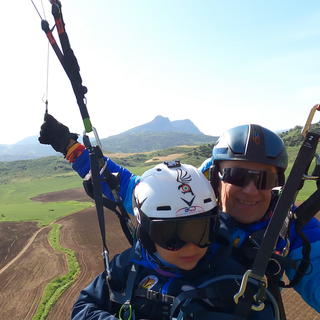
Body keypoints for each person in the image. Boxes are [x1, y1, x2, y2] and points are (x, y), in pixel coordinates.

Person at [39, 115, 278, 319]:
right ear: (147, 234)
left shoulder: (236, 281)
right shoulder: (129, 265)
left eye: (201, 232)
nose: (190, 245)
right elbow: (111, 177)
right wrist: (70, 147)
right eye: (171, 236)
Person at [198, 124, 320, 317]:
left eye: (264, 179)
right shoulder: (184, 207)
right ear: (215, 178)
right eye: (237, 176)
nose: (251, 190)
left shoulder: (291, 224)